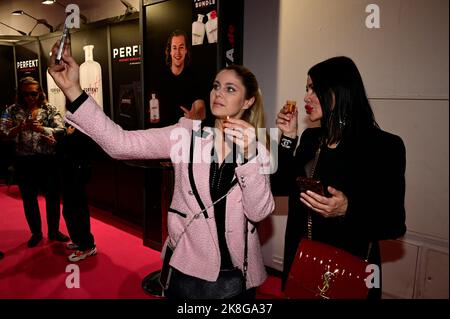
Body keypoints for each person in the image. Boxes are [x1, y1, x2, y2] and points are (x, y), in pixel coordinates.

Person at [48, 39, 274, 299]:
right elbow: (120, 143)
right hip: (188, 271)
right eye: (216, 86)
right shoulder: (186, 135)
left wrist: (248, 156)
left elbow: (258, 212)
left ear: (248, 102)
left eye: (230, 89)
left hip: (237, 277)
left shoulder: (259, 150)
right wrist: (73, 91)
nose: (218, 94)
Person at [272, 56, 407, 299]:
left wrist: (347, 209)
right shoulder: (311, 140)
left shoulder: (384, 146)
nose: (306, 97)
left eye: (314, 88)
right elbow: (278, 185)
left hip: (350, 272)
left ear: (339, 91)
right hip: (302, 265)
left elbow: (394, 223)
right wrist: (287, 138)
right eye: (306, 89)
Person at [0, 77, 69, 247]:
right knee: (29, 199)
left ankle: (53, 231)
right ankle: (36, 233)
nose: (30, 97)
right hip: (24, 161)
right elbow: (3, 133)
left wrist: (42, 129)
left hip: (47, 160)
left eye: (33, 93)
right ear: (20, 95)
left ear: (39, 93)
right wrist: (20, 127)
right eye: (25, 94)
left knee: (52, 197)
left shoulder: (49, 108)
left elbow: (62, 130)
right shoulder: (11, 110)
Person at [57, 124, 97, 262]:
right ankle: (80, 241)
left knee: (77, 211)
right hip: (71, 173)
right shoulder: (72, 126)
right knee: (70, 210)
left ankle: (87, 246)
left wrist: (65, 139)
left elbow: (78, 149)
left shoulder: (82, 127)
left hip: (77, 174)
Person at [154, 29, 206, 126]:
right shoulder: (159, 77)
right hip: (164, 133)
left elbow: (201, 108)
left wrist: (196, 116)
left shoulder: (194, 77)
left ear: (186, 50)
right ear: (169, 51)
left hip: (186, 134)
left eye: (181, 47)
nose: (177, 52)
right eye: (174, 48)